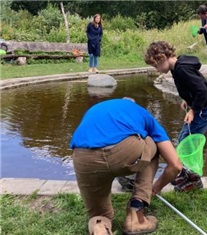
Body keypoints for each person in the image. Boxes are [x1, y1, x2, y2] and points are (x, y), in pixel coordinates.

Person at [70, 98, 182, 235]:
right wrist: (156, 187)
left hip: (83, 156)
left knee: (99, 213)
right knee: (154, 143)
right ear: (134, 104)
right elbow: (176, 165)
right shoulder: (142, 113)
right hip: (124, 152)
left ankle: (100, 228)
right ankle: (136, 215)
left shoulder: (97, 109)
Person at [144, 41, 207, 192]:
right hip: (204, 105)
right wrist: (187, 99)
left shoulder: (182, 69)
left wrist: (193, 109)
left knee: (186, 139)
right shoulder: (177, 66)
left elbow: (202, 91)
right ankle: (186, 173)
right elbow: (194, 87)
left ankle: (193, 178)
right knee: (186, 138)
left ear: (162, 58)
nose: (157, 70)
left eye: (156, 66)